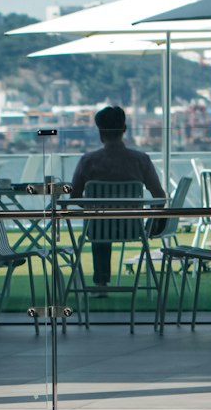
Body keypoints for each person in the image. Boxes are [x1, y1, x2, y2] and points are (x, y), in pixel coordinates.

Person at [70, 105, 166, 293]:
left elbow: (74, 196)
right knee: (100, 221)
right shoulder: (141, 159)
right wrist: (155, 221)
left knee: (98, 223)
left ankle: (101, 283)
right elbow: (158, 195)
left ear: (100, 132)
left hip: (98, 228)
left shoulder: (88, 161)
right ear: (124, 129)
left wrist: (94, 207)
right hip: (132, 227)